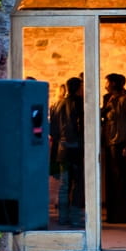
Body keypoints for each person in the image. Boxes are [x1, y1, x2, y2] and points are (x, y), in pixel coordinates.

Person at [102, 73, 126, 223]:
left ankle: (123, 215)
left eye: (108, 82)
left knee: (120, 180)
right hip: (111, 142)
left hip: (120, 143)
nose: (106, 85)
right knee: (112, 180)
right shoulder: (110, 100)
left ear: (114, 84)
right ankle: (113, 214)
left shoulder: (125, 101)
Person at [56, 77, 84, 227]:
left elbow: (53, 128)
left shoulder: (58, 104)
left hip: (62, 148)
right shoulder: (80, 104)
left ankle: (62, 217)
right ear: (78, 88)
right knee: (78, 184)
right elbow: (82, 126)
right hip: (77, 148)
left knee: (64, 185)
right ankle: (75, 217)